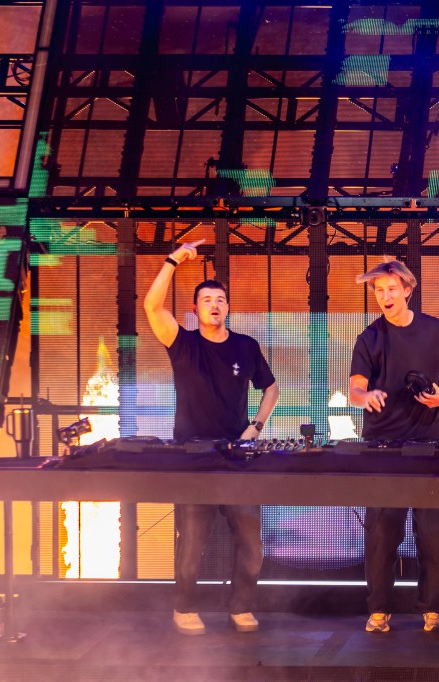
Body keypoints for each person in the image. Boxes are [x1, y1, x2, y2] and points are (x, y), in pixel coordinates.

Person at [144, 238, 280, 636]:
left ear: (228, 308)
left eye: (220, 299)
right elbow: (152, 306)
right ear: (195, 309)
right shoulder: (182, 342)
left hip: (238, 456)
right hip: (192, 457)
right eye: (207, 300)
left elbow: (270, 388)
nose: (215, 305)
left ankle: (241, 607)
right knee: (192, 542)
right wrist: (173, 260)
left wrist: (255, 426)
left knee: (252, 542)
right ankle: (184, 608)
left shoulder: (245, 346)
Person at [348, 259, 439, 634]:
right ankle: (379, 611)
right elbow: (354, 388)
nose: (385, 296)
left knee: (433, 532)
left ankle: (433, 610)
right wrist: (366, 396)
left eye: (391, 289)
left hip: (428, 446)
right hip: (382, 447)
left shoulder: (434, 329)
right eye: (379, 290)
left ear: (408, 290)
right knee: (382, 534)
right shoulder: (370, 336)